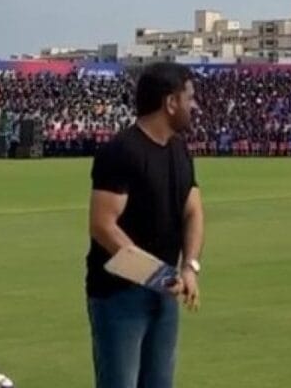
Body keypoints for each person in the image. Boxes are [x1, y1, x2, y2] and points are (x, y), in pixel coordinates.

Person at [85, 62, 206, 388]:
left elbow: (193, 210)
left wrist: (190, 267)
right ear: (170, 103)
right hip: (119, 296)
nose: (194, 106)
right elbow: (102, 225)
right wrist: (154, 274)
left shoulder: (180, 150)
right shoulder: (121, 151)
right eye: (189, 98)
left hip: (164, 293)